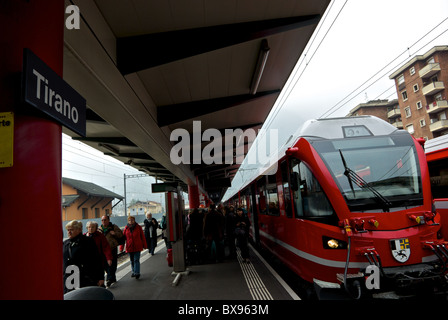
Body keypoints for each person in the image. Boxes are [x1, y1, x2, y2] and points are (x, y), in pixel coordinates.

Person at [63, 220, 104, 293]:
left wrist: (100, 277)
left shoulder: (87, 242)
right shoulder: (66, 244)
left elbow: (96, 259)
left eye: (71, 230)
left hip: (85, 279)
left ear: (79, 230)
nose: (69, 232)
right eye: (68, 230)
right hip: (69, 280)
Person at [85, 221, 113, 286]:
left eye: (92, 227)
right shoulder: (85, 236)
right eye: (89, 227)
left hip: (99, 260)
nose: (90, 229)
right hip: (89, 262)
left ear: (96, 228)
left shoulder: (100, 236)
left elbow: (106, 247)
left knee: (100, 278)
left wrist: (109, 258)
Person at [100, 215, 124, 287]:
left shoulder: (113, 227)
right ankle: (110, 278)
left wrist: (114, 233)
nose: (103, 222)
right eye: (102, 220)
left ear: (108, 220)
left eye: (105, 220)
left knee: (113, 264)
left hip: (112, 248)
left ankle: (111, 277)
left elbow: (121, 235)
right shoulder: (99, 229)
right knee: (106, 265)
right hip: (103, 250)